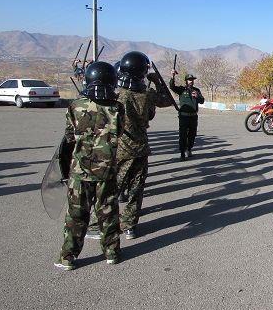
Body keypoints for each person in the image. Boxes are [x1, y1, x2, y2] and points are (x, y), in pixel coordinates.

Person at [54, 62, 125, 270]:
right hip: (106, 171)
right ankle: (112, 252)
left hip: (80, 171)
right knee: (108, 213)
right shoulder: (117, 108)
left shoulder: (76, 106)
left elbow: (69, 137)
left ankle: (68, 257)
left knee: (76, 215)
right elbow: (119, 132)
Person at [116, 51, 173, 240]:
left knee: (111, 189)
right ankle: (129, 225)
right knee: (136, 189)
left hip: (118, 149)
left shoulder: (115, 93)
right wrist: (157, 81)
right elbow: (166, 101)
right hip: (139, 148)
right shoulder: (146, 94)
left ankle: (101, 223)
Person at [170, 70, 205, 161]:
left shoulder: (196, 90)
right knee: (183, 135)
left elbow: (202, 101)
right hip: (183, 117)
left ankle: (189, 149)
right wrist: (172, 76)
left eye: (192, 80)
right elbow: (172, 87)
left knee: (192, 135)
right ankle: (182, 153)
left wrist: (197, 96)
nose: (191, 81)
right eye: (189, 80)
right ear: (186, 81)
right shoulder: (181, 90)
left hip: (193, 116)